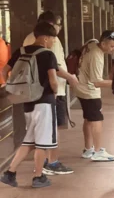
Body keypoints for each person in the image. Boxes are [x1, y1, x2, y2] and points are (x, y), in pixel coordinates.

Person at [1, 21, 61, 188]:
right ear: (46, 38)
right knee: (42, 143)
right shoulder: (48, 55)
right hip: (44, 102)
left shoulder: (20, 52)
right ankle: (38, 176)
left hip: (27, 103)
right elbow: (53, 81)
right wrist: (55, 93)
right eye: (53, 39)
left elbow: (4, 71)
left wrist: (12, 88)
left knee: (30, 141)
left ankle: (10, 173)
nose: (53, 42)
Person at [23, 10, 77, 175]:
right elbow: (51, 66)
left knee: (44, 129)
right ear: (50, 25)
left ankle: (45, 162)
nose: (59, 29)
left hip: (40, 91)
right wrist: (69, 78)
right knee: (49, 128)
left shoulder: (33, 38)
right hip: (48, 91)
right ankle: (50, 162)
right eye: (58, 24)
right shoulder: (44, 41)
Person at [75, 30, 114, 161]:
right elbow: (97, 82)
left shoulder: (92, 43)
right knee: (96, 120)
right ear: (103, 43)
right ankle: (98, 151)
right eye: (111, 46)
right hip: (89, 91)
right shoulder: (97, 56)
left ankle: (88, 149)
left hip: (80, 87)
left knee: (89, 119)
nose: (113, 50)